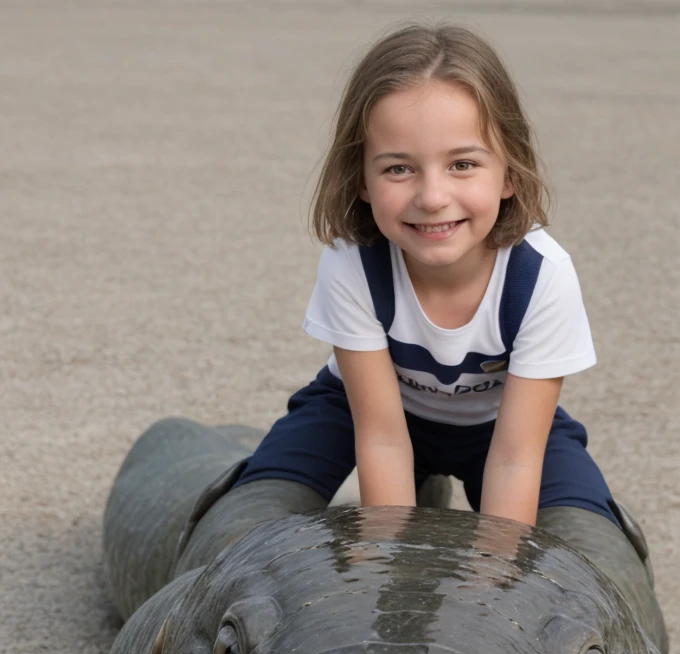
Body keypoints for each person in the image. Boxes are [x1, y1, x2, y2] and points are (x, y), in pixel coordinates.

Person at [232, 22, 619, 530]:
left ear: (510, 173)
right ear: (362, 180)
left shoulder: (541, 277)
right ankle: (419, 488)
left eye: (462, 164)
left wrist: (496, 589)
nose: (432, 197)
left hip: (499, 427)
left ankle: (435, 489)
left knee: (585, 540)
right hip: (358, 413)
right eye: (398, 168)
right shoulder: (354, 262)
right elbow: (383, 438)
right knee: (244, 518)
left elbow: (515, 459)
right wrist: (392, 570)